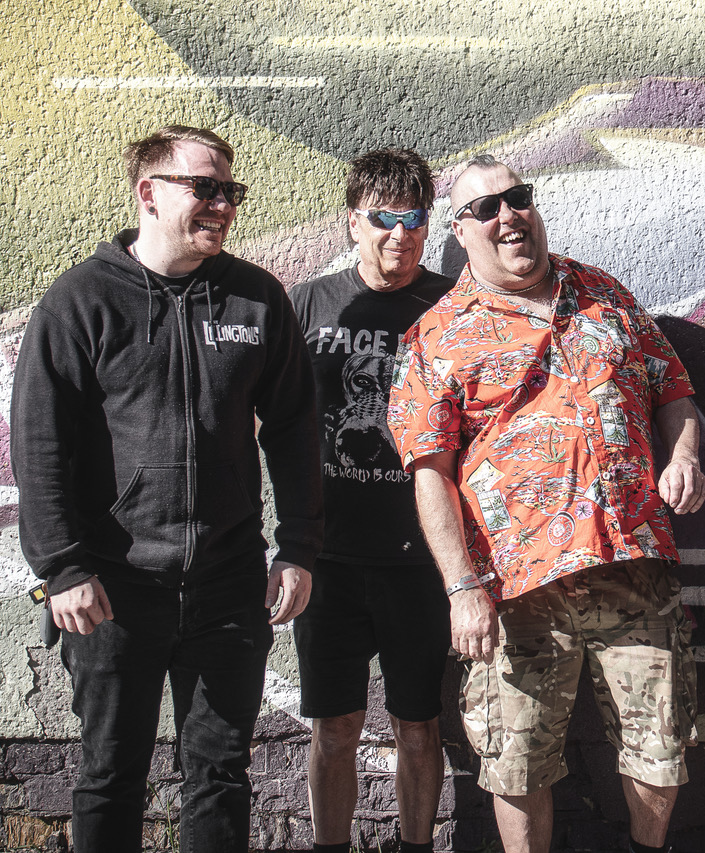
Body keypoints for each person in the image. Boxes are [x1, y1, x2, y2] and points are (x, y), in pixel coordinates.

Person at [10, 125, 323, 852]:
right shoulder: (81, 300)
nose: (223, 205)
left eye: (231, 191)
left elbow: (294, 430)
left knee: (220, 773)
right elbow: (40, 444)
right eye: (204, 188)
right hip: (113, 586)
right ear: (148, 194)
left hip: (228, 581)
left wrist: (299, 546)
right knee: (110, 772)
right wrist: (63, 567)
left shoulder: (255, 299)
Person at [387, 155, 705, 853]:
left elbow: (673, 387)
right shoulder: (437, 336)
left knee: (660, 749)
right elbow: (430, 474)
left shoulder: (605, 295)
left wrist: (683, 456)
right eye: (486, 208)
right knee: (517, 759)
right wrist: (462, 588)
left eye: (518, 197)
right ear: (460, 230)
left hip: (632, 566)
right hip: (515, 590)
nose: (508, 216)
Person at [289, 147, 455, 853]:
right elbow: (262, 419)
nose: (400, 234)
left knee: (418, 725)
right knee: (335, 727)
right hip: (327, 559)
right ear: (354, 220)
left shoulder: (452, 304)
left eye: (414, 218)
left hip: (421, 562)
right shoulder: (308, 305)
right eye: (384, 218)